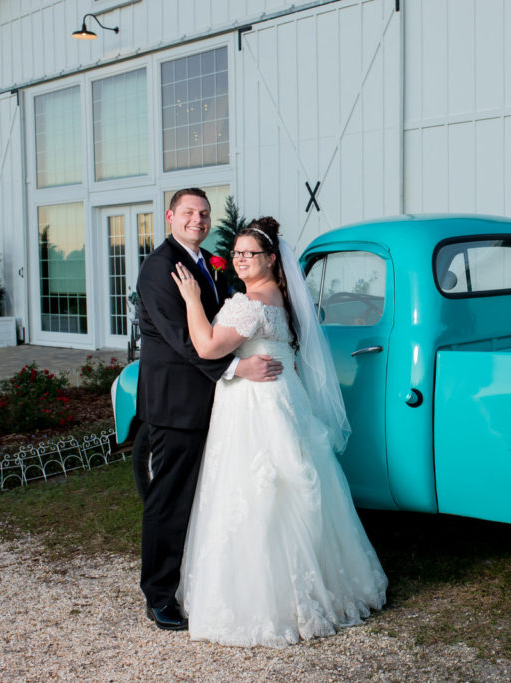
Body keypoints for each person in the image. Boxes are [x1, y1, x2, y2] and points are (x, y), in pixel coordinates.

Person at [171, 216, 387, 647]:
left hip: (255, 406)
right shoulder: (281, 299)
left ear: (271, 259)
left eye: (249, 253)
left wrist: (193, 300)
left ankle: (268, 601)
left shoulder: (250, 303)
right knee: (290, 487)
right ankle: (324, 585)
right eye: (236, 253)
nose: (240, 259)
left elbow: (207, 347)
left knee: (255, 491)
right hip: (285, 401)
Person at [136, 189, 283, 631]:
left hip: (215, 401)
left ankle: (197, 583)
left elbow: (222, 323)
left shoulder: (207, 263)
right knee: (169, 500)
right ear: (170, 217)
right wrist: (237, 367)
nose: (197, 220)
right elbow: (183, 340)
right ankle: (159, 596)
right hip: (176, 403)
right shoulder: (159, 268)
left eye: (203, 213)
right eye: (188, 213)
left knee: (205, 498)